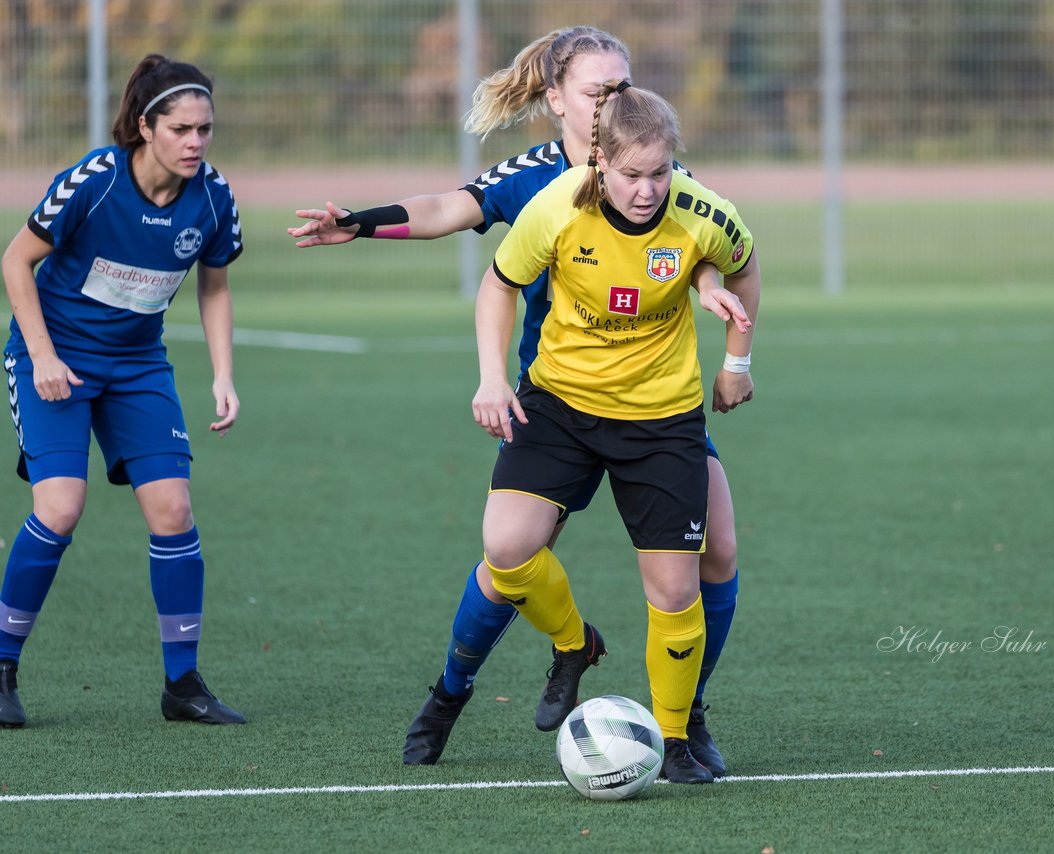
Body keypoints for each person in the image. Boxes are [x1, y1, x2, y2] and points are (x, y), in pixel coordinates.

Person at [289, 26, 751, 776]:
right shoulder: (539, 180)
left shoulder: (655, 168)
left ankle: (684, 720)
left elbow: (708, 250)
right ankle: (454, 689)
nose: (616, 101)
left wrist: (718, 310)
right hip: (557, 397)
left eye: (623, 87)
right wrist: (363, 222)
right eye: (600, 90)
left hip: (655, 400)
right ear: (557, 101)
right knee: (507, 554)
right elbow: (447, 208)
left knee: (717, 550)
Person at [471, 77, 758, 783]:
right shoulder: (557, 208)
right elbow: (500, 284)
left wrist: (738, 364)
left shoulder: (704, 214)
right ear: (600, 163)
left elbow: (745, 267)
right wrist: (491, 376)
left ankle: (674, 739)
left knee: (673, 589)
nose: (647, 190)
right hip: (562, 405)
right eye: (632, 175)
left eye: (660, 172)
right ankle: (574, 644)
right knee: (507, 548)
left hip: (662, 419)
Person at [0, 54, 245, 728]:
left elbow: (214, 281)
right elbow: (15, 261)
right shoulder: (94, 181)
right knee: (60, 508)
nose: (197, 142)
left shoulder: (213, 196)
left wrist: (223, 374)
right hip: (53, 360)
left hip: (137, 366)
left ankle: (182, 685)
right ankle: (1, 665)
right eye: (184, 129)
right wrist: (44, 355)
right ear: (146, 127)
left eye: (206, 129)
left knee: (172, 509)